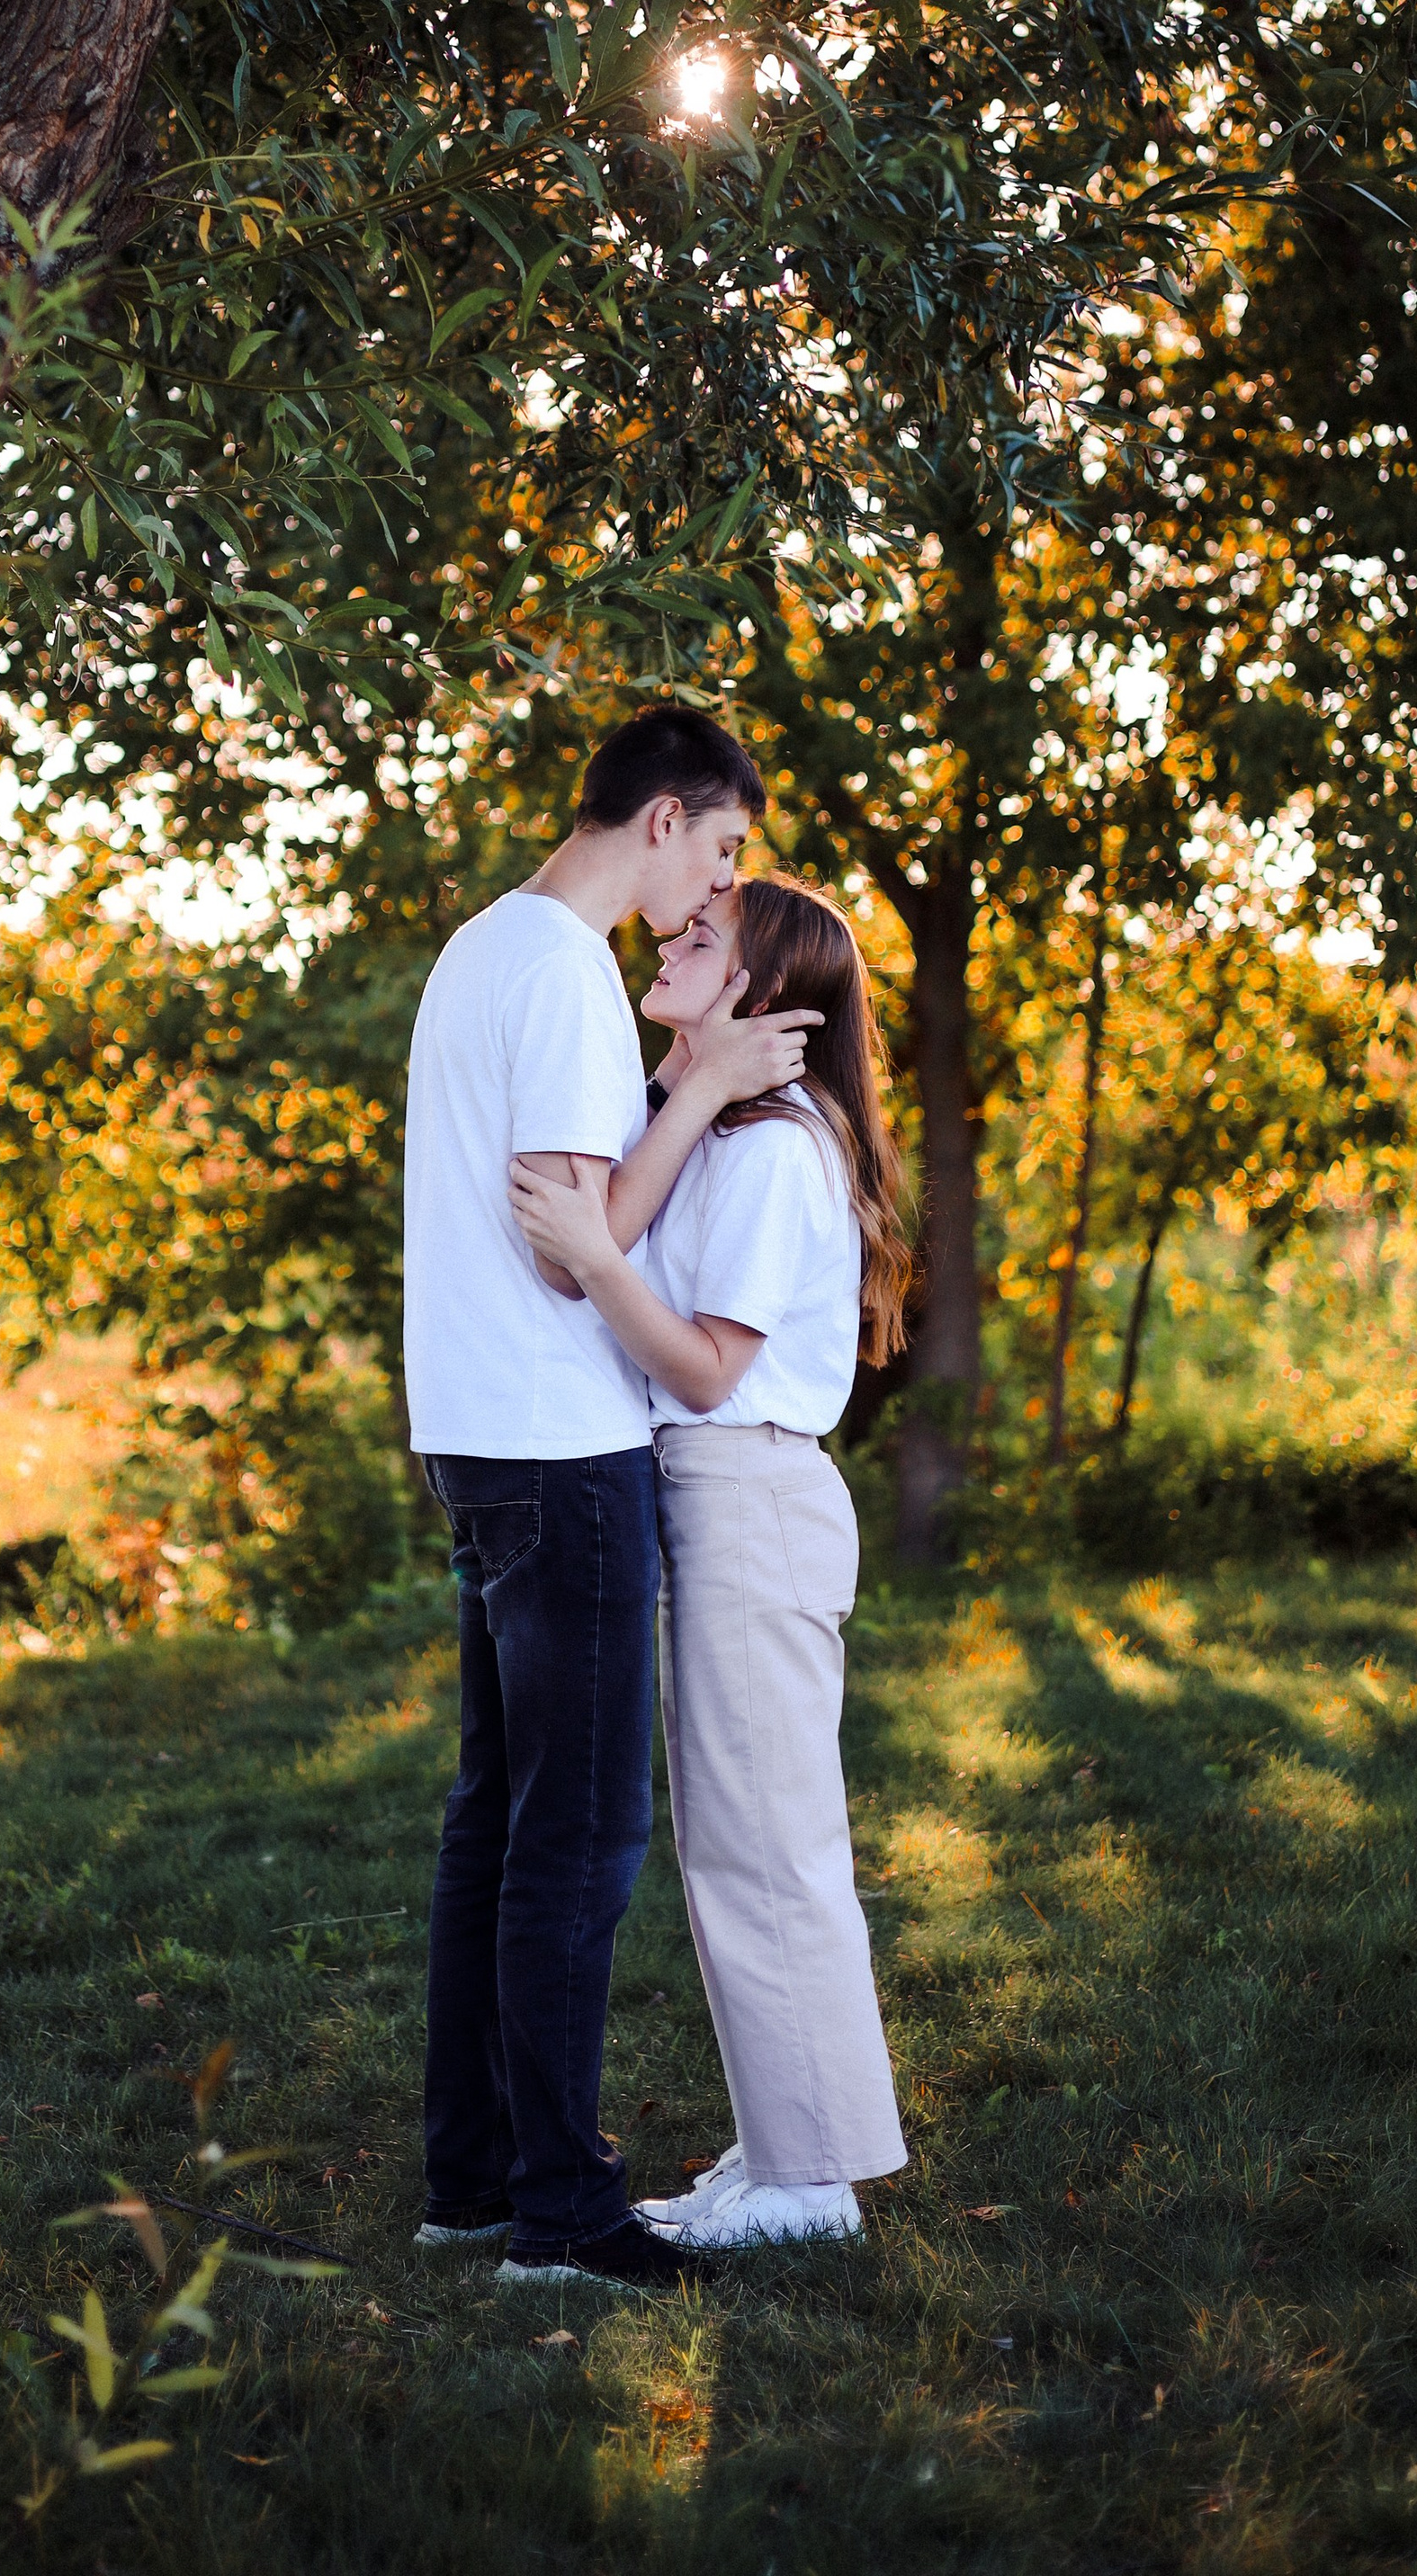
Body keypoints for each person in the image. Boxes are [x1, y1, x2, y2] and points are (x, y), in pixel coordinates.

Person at [405, 705, 821, 2291]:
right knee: (578, 1841)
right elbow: (575, 1247)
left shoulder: (478, 949)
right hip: (560, 1444)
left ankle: (474, 2184)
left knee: (492, 1829)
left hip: (474, 1429)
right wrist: (704, 1086)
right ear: (664, 820)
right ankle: (563, 2218)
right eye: (721, 849)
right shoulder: (573, 977)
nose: (718, 886)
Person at [507, 874, 911, 2248]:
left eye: (700, 940)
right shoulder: (721, 1133)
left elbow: (703, 1362)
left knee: (771, 1850)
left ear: (765, 998)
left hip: (753, 1496)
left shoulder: (777, 1152)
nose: (667, 939)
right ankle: (786, 2150)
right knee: (738, 1840)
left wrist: (591, 1260)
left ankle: (810, 2190)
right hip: (722, 1501)